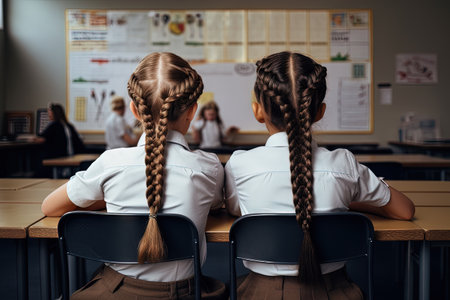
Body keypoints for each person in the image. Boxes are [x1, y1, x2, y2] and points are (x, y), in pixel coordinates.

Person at [224, 51, 415, 300]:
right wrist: (346, 202)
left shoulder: (240, 164)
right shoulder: (343, 164)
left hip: (259, 292)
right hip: (334, 291)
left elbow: (237, 210)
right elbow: (405, 211)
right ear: (320, 112)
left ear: (258, 111)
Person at [41, 52, 226, 299]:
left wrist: (107, 197)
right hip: (185, 292)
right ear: (192, 111)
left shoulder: (111, 163)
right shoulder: (209, 167)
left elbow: (50, 207)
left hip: (117, 290)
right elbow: (214, 205)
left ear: (134, 110)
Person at [36, 103, 85, 177]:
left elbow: (41, 139)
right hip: (70, 155)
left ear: (54, 113)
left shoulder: (54, 125)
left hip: (57, 157)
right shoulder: (68, 125)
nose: (49, 115)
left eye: (50, 113)